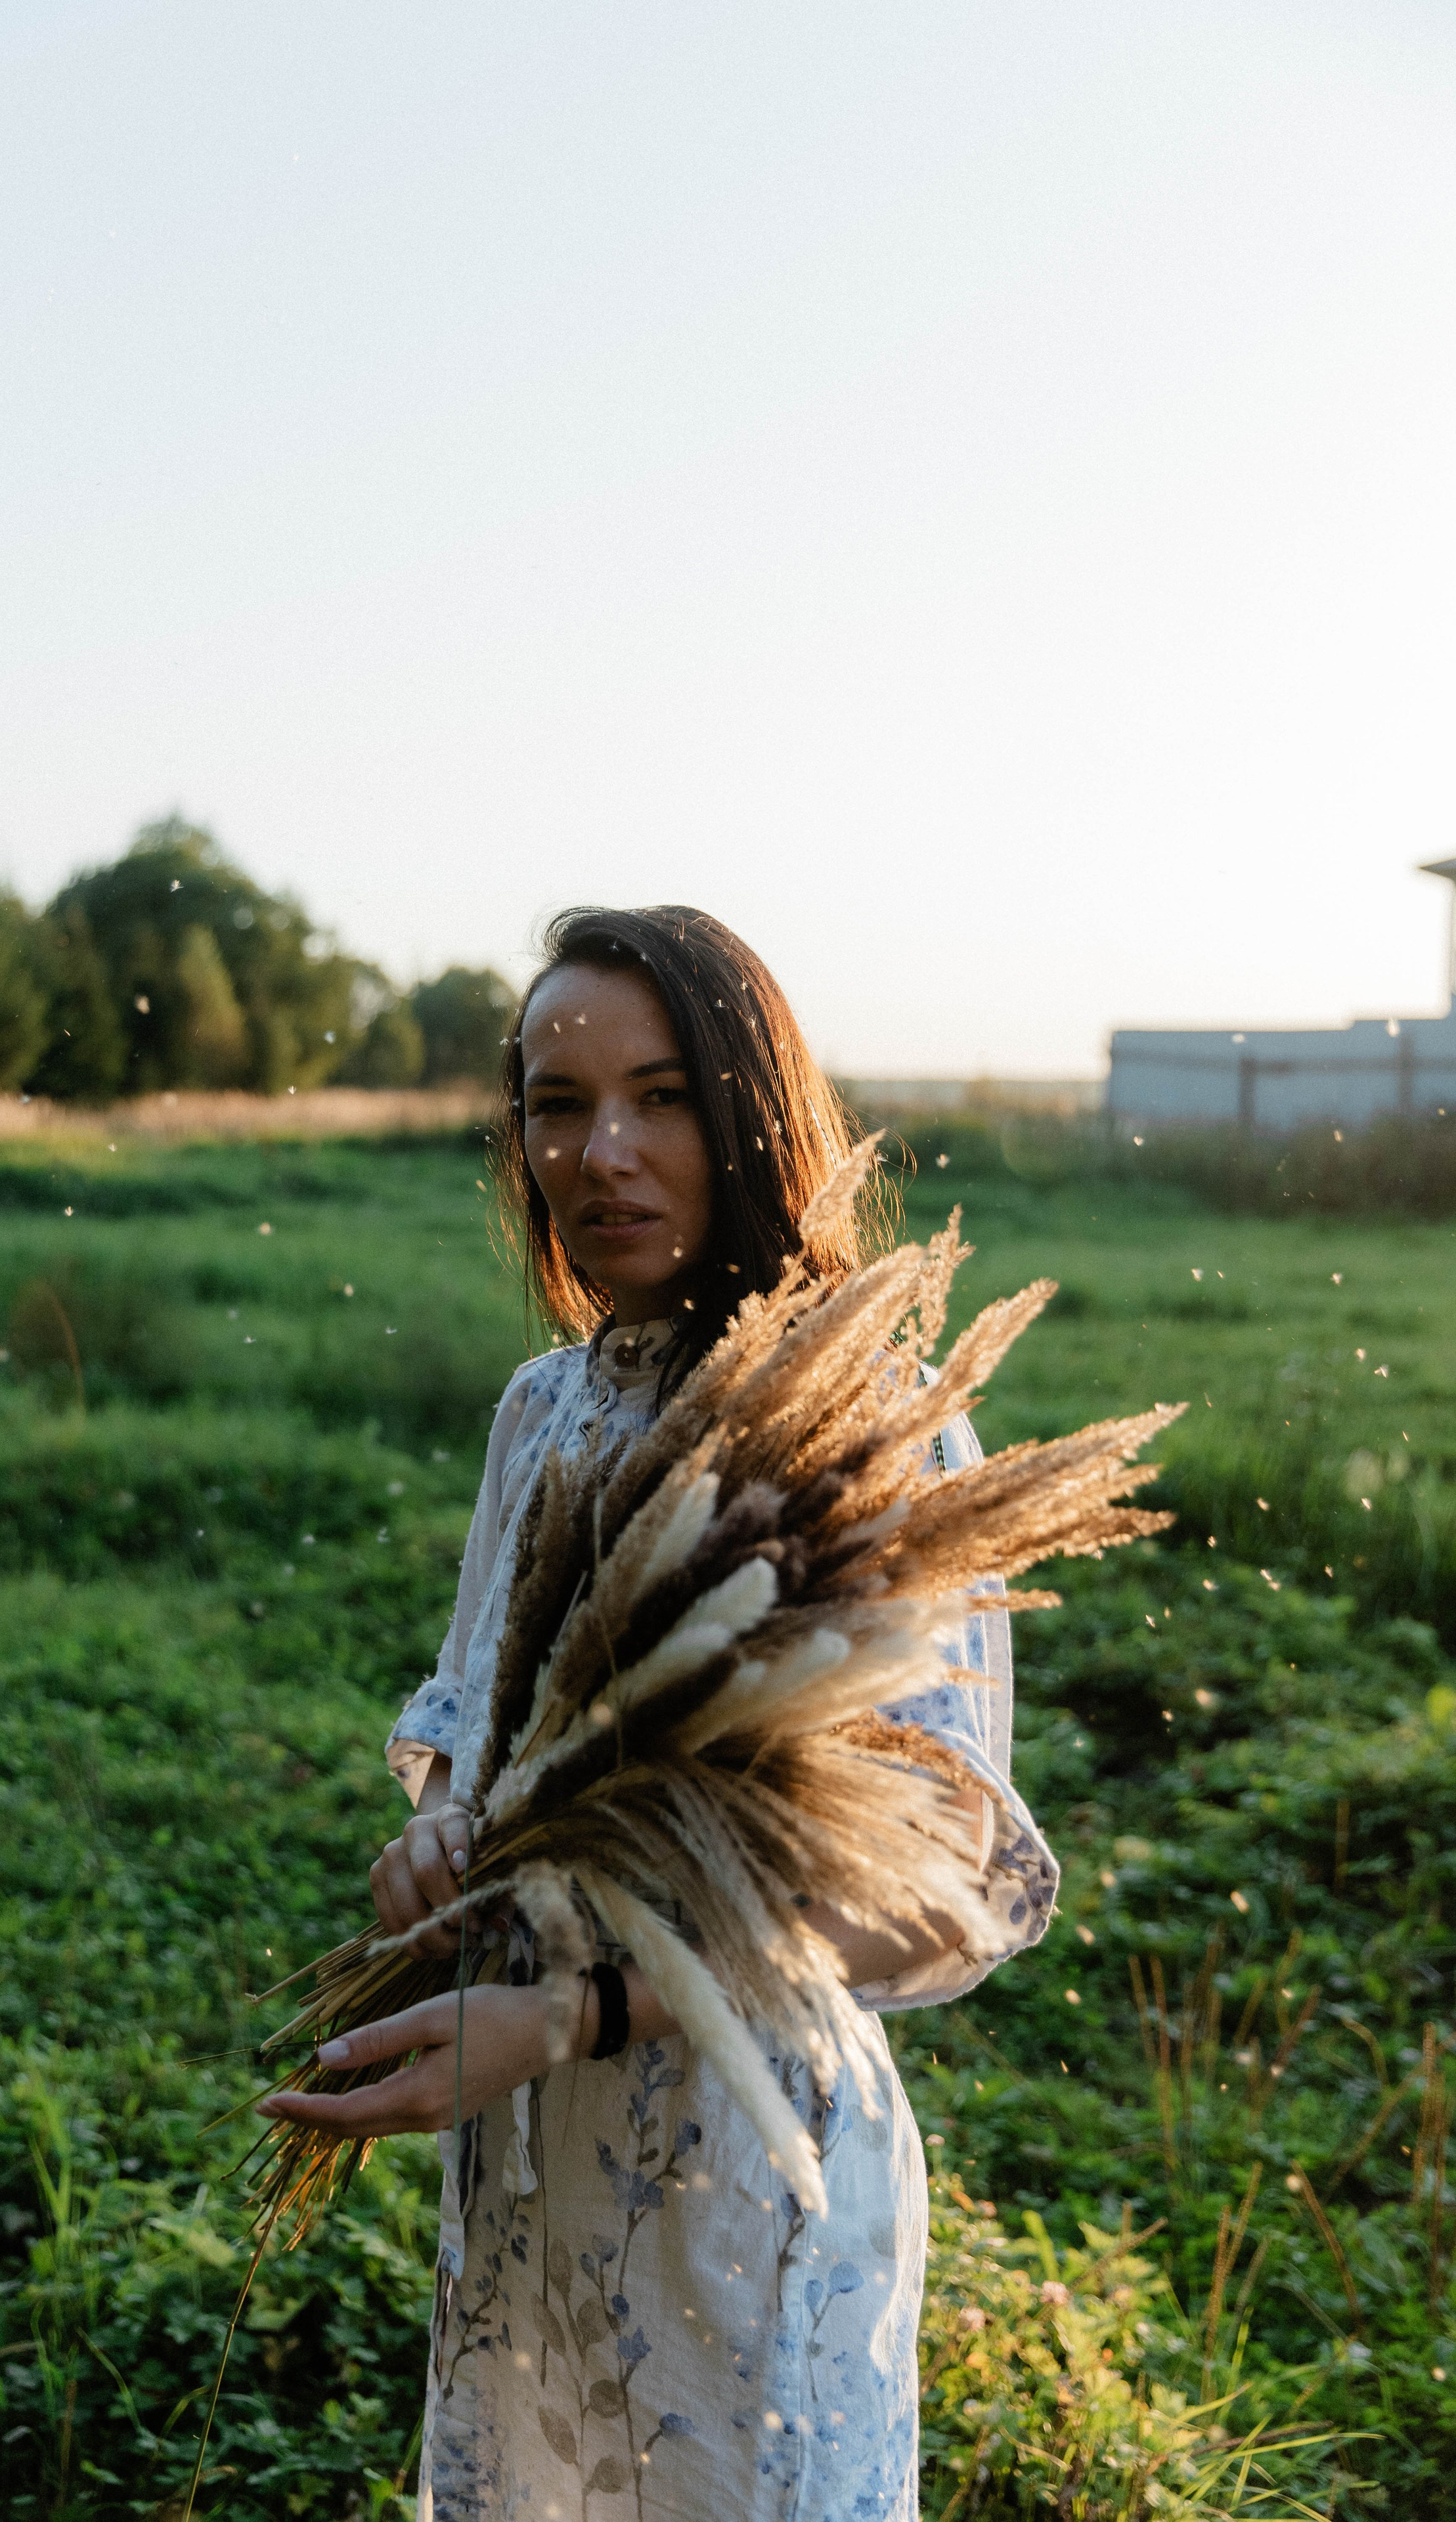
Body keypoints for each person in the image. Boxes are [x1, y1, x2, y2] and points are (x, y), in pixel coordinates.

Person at [261, 906, 1057, 2522]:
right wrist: (438, 1838)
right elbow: (467, 1718)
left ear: (753, 1113)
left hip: (741, 2189)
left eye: (661, 1094)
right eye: (556, 1105)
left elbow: (942, 1888)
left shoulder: (873, 1431)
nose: (599, 1151)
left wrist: (577, 2011)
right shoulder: (545, 1408)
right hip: (523, 2171)